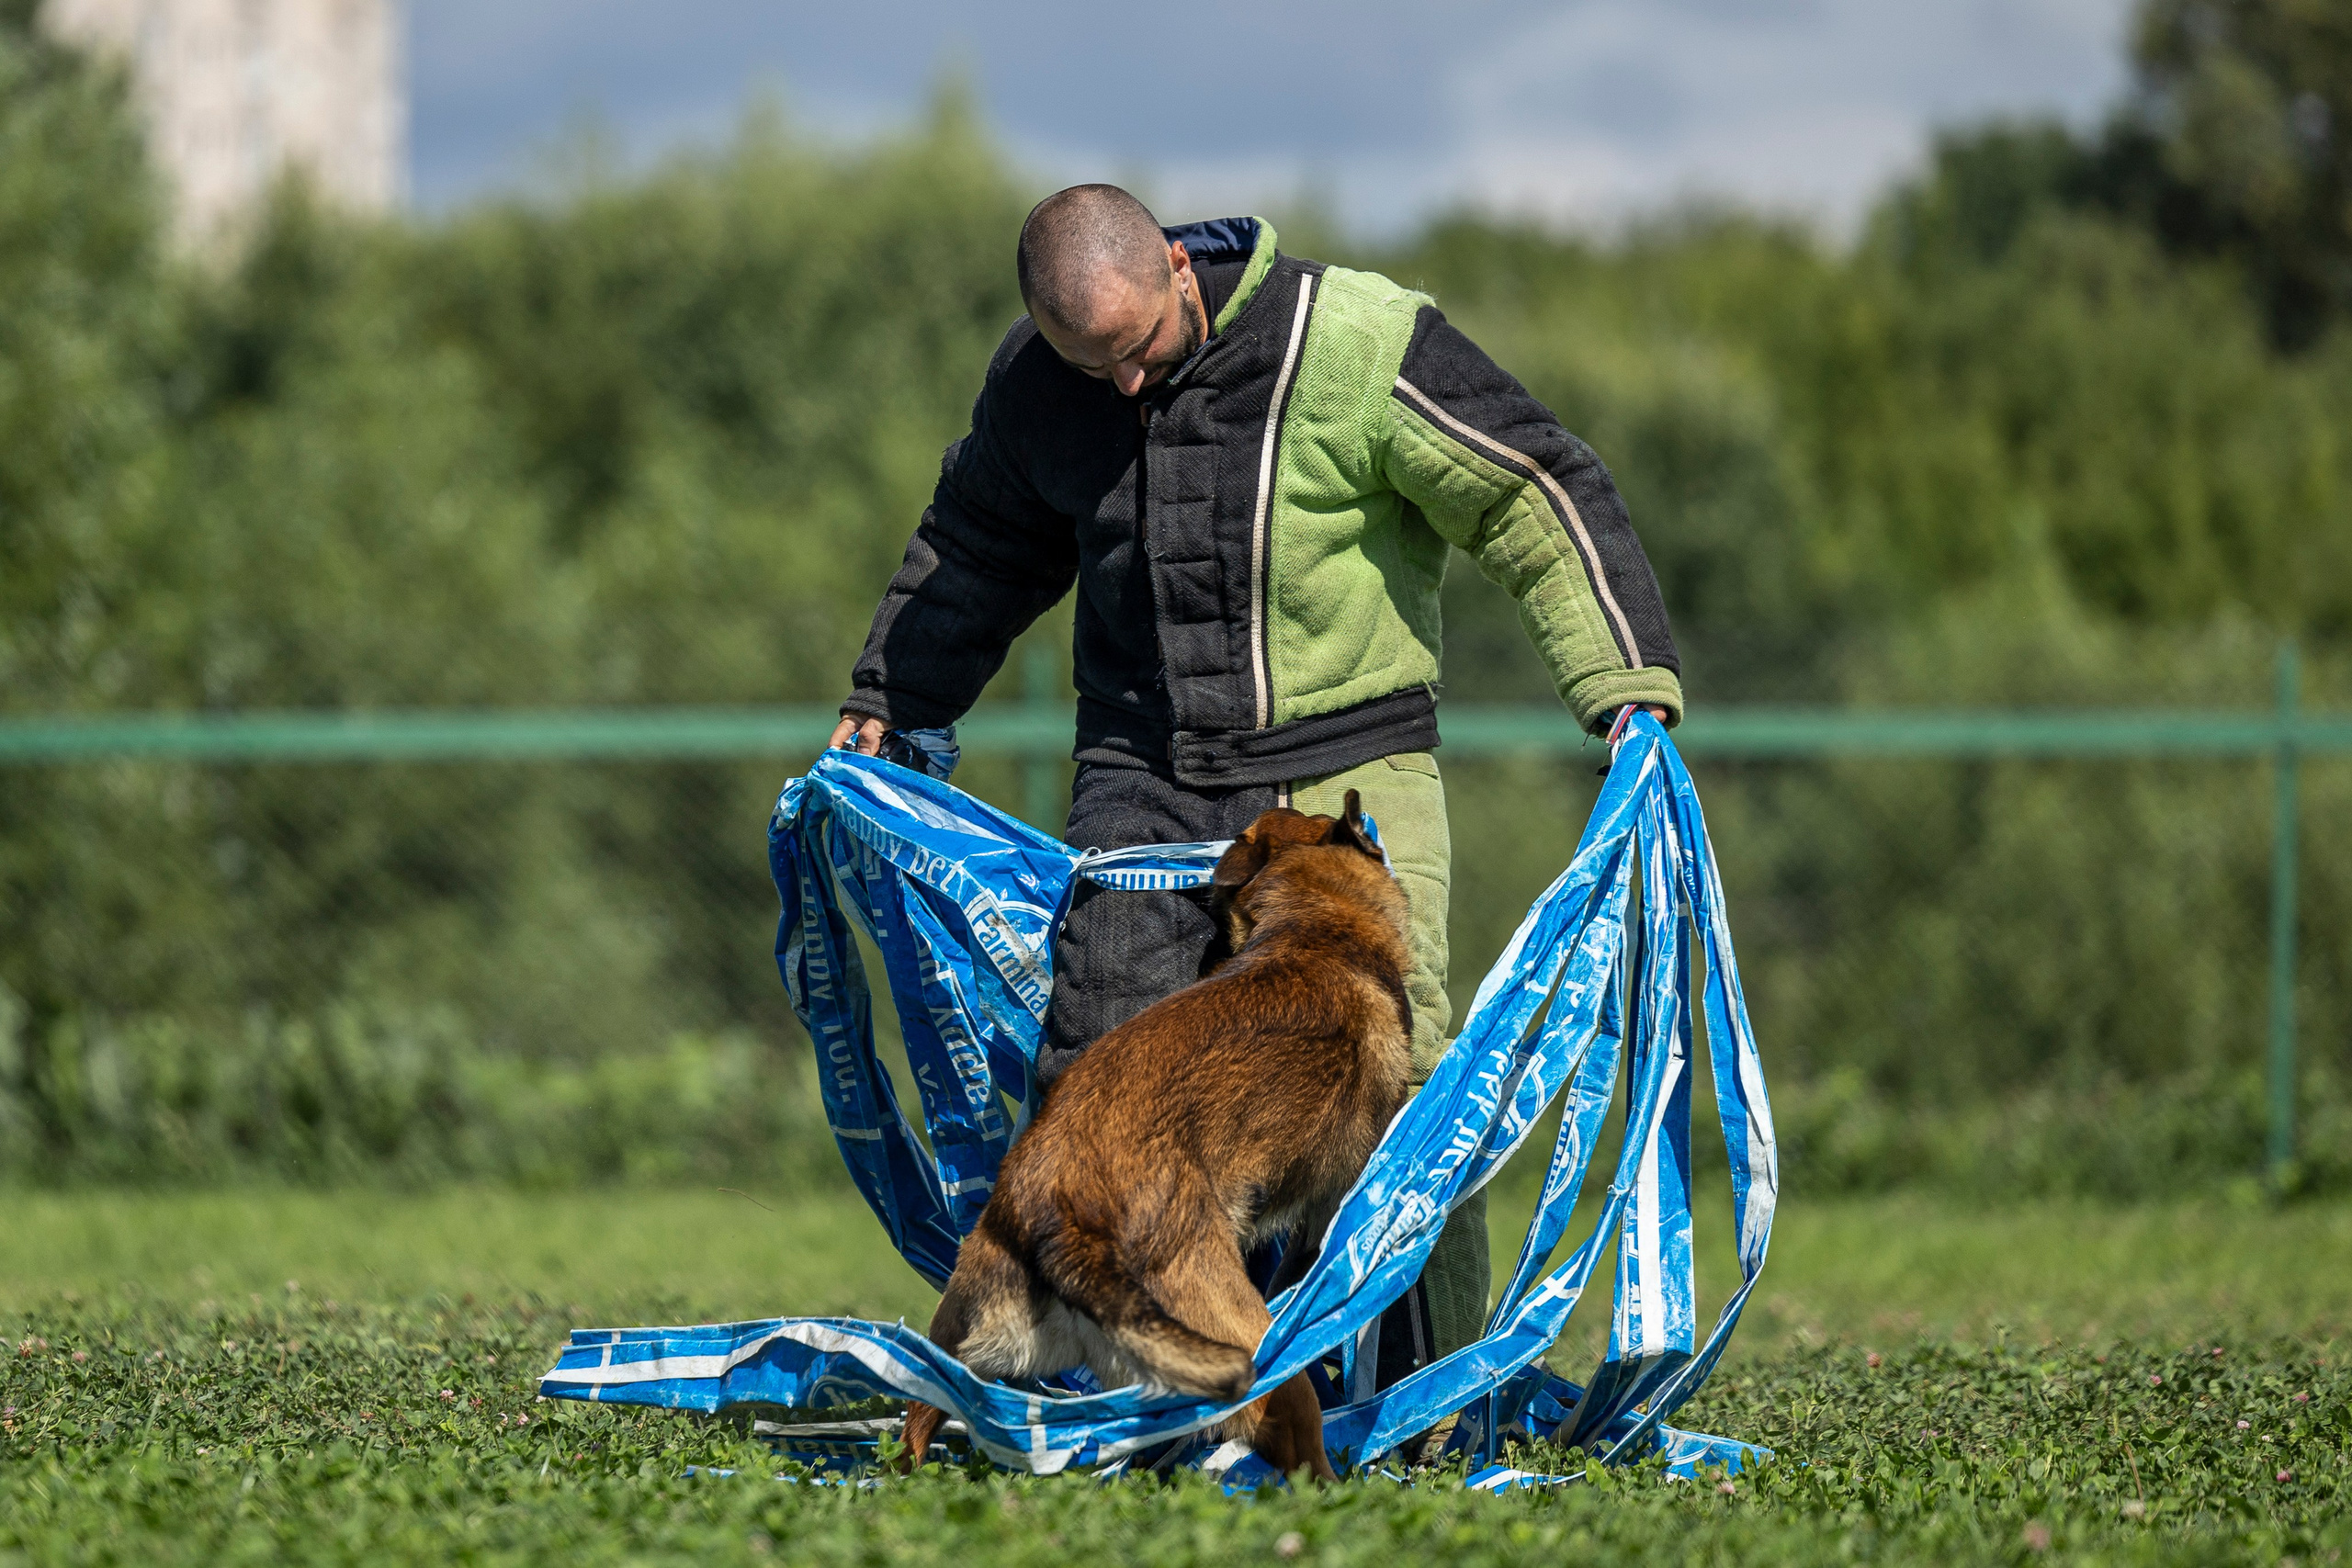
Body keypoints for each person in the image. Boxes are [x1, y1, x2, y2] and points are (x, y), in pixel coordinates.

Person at [829, 184, 1680, 1394]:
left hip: (1343, 774)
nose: (1123, 387)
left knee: (1400, 1095)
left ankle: (1422, 1409)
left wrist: (1623, 685)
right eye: (1091, 368)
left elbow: (1531, 489)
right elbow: (979, 540)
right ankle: (1132, 1404)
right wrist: (895, 693)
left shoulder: (1356, 341)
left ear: (1180, 270)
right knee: (1096, 1083)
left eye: (1138, 354)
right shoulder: (1040, 385)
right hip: (1143, 772)